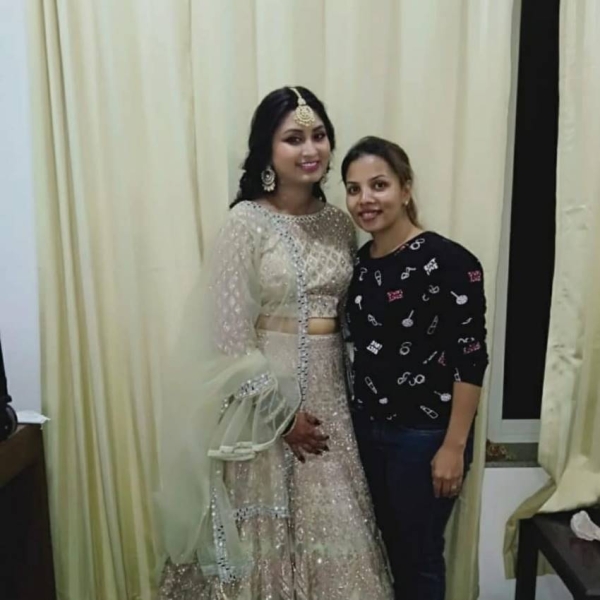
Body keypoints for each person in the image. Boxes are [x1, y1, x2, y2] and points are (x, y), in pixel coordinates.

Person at [155, 90, 392, 599]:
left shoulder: (339, 223)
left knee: (337, 528)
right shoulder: (245, 223)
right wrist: (281, 417)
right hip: (259, 413)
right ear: (267, 149)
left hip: (330, 404)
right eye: (293, 138)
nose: (310, 149)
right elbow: (228, 334)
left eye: (319, 136)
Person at [341, 136, 489, 600]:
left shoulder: (449, 261)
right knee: (383, 551)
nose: (365, 199)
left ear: (405, 189)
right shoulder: (359, 265)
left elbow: (471, 358)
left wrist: (453, 447)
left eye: (378, 185)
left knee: (419, 557)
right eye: (353, 189)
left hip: (424, 437)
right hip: (368, 431)